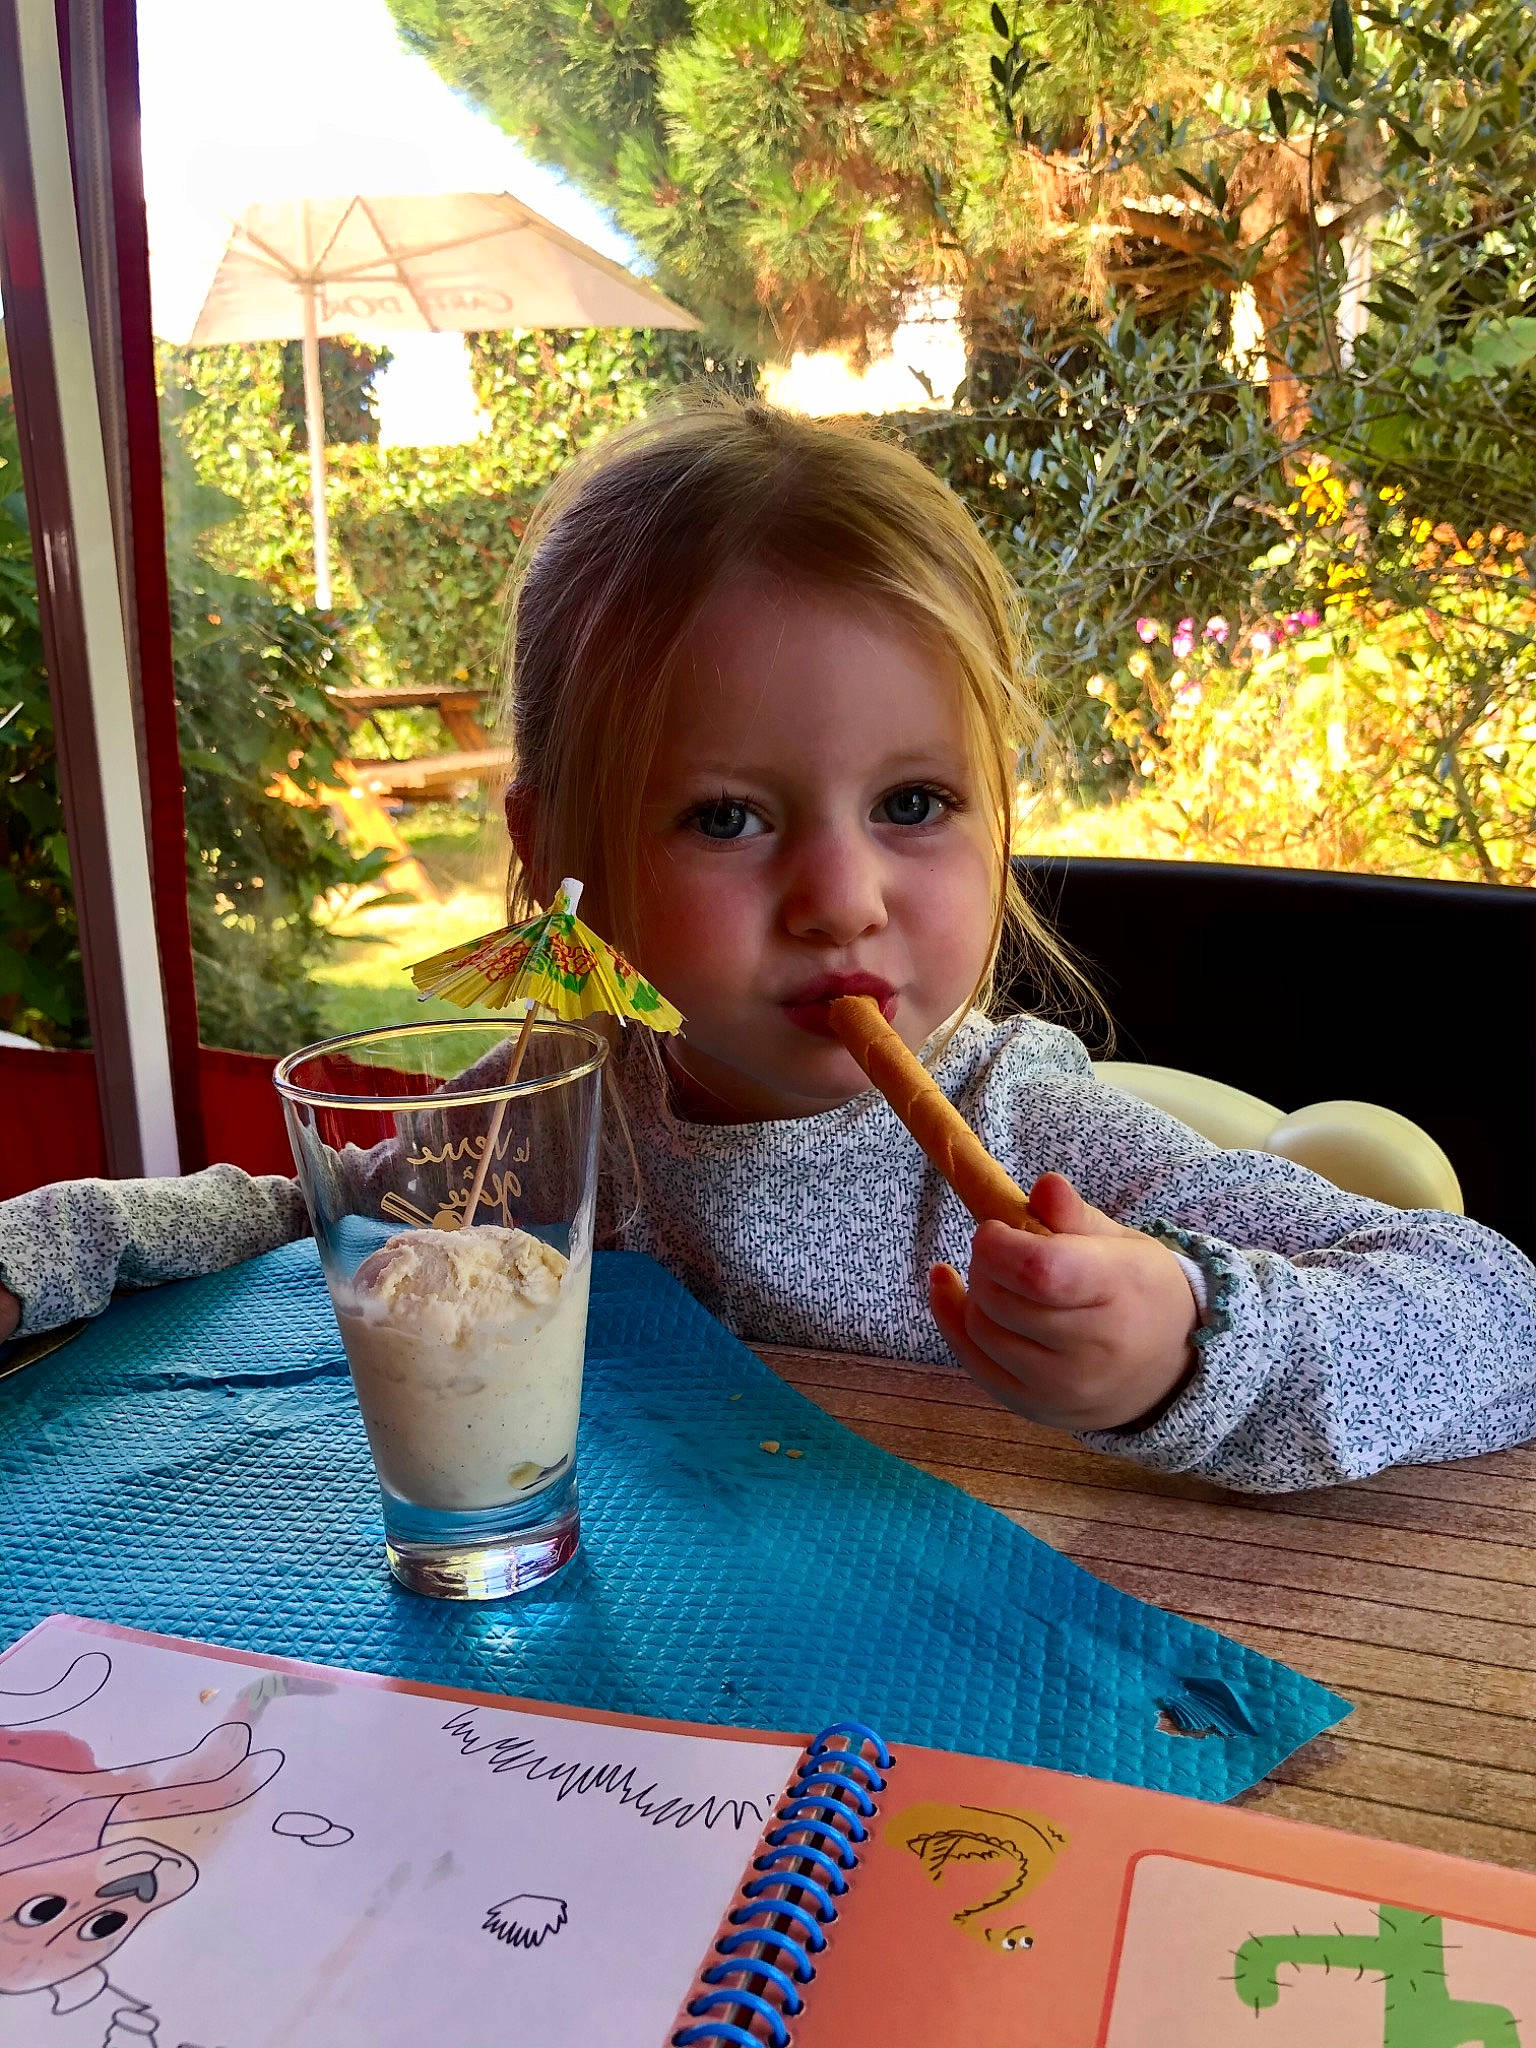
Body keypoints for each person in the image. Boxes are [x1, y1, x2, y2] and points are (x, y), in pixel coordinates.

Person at [2, 399, 1533, 1494]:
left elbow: (1495, 1316)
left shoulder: (1028, 1130)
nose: (842, 895)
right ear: (557, 858)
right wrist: (54, 1248)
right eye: (730, 819)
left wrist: (1185, 1345)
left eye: (915, 802)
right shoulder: (552, 1112)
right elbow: (310, 1226)